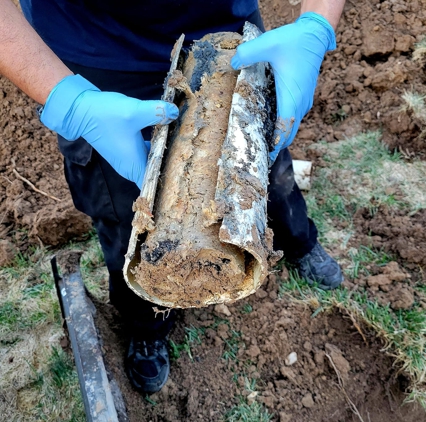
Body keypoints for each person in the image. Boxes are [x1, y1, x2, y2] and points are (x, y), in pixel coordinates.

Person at [1, 0, 346, 394]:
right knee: (124, 204)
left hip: (227, 31)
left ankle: (299, 242)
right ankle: (147, 322)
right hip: (96, 54)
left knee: (260, 160)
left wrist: (317, 23)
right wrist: (68, 101)